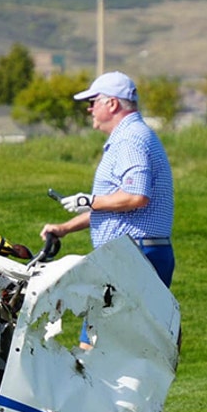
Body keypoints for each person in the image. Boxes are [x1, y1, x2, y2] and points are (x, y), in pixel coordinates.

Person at [42, 71, 175, 290]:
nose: (89, 109)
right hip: (137, 252)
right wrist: (65, 228)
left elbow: (135, 196)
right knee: (130, 325)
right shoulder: (133, 135)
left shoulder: (129, 139)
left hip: (132, 255)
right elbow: (115, 206)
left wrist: (88, 200)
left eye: (93, 102)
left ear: (112, 104)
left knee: (105, 324)